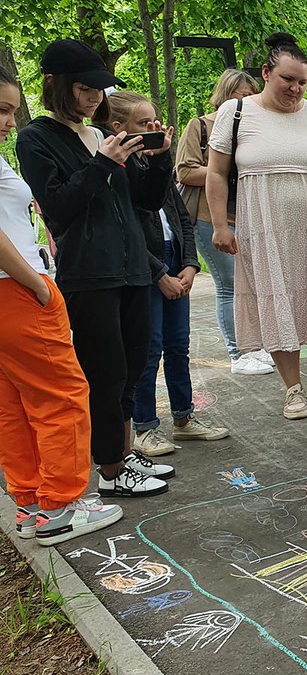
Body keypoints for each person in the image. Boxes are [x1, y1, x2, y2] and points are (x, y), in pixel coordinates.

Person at [16, 38, 173, 498]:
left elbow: (143, 202)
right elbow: (60, 209)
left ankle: (121, 453)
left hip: (131, 270)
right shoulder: (36, 138)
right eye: (86, 89)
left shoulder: (104, 136)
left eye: (100, 91)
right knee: (103, 374)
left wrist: (158, 162)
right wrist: (102, 164)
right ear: (57, 85)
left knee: (134, 366)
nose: (95, 99)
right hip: (90, 275)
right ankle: (108, 468)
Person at [204, 32, 307, 420]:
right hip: (263, 228)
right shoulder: (237, 112)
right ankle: (292, 389)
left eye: (302, 82)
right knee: (276, 301)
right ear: (266, 73)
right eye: (287, 79)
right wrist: (220, 227)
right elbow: (216, 173)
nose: (295, 88)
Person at [0, 66, 124, 544]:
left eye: (12, 110)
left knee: (14, 403)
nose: (11, 121)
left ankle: (31, 502)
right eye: (3, 110)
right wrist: (35, 283)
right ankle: (61, 507)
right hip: (16, 290)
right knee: (62, 396)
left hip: (10, 292)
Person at [105, 91, 230, 458]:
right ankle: (144, 426)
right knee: (149, 348)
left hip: (174, 260)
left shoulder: (155, 168)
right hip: (147, 271)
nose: (154, 129)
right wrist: (160, 274)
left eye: (155, 123)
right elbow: (126, 231)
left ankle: (183, 417)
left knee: (178, 346)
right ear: (118, 128)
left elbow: (183, 222)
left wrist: (190, 264)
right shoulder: (119, 173)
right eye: (145, 125)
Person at [175, 69, 273, 375]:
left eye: (250, 96)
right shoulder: (201, 126)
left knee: (254, 286)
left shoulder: (254, 129)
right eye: (238, 95)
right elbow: (184, 171)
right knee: (229, 285)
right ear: (224, 95)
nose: (245, 102)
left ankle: (255, 346)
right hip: (208, 217)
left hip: (248, 216)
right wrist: (222, 168)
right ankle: (238, 353)